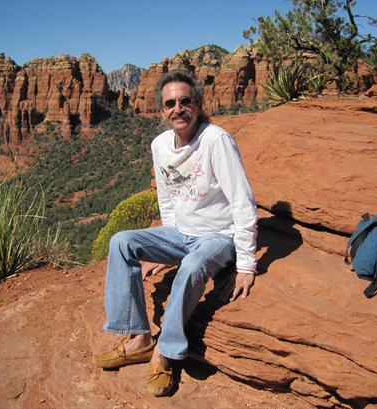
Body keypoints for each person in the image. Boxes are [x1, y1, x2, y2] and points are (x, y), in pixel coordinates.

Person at [94, 71, 257, 397]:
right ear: (161, 110)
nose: (178, 109)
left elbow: (243, 202)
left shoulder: (216, 140)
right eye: (170, 103)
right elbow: (166, 198)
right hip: (181, 235)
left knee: (194, 264)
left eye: (185, 101)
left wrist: (246, 265)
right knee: (121, 241)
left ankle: (163, 354)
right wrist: (164, 249)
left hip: (218, 236)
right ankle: (138, 337)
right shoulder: (159, 145)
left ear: (197, 104)